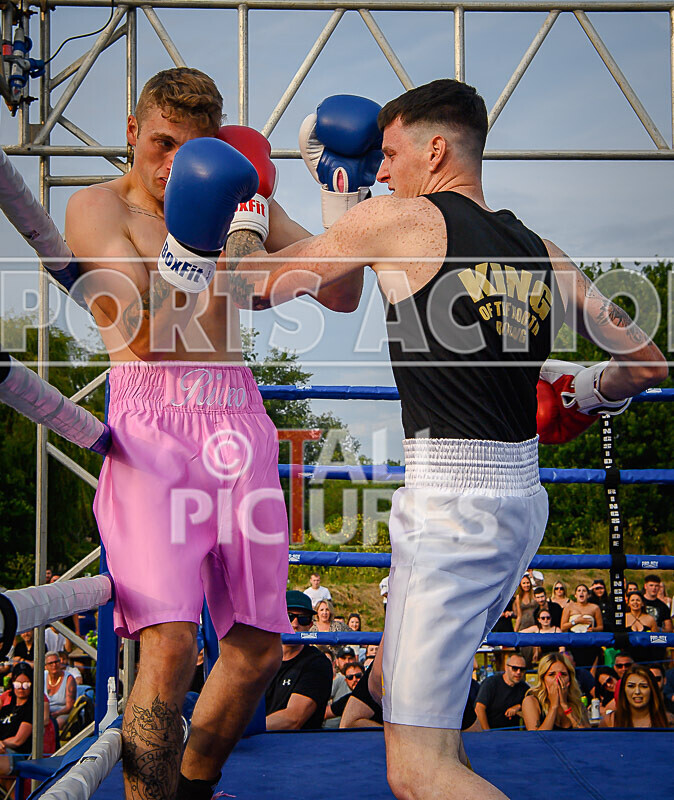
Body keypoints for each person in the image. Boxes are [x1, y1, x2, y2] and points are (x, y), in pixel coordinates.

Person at [228, 79, 666, 799]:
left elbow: (253, 285)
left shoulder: (402, 221)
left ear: (435, 148)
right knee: (407, 707)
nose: (385, 171)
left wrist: (246, 212)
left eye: (392, 153)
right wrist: (581, 391)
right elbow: (645, 362)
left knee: (416, 772)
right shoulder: (543, 251)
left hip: (451, 513)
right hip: (520, 504)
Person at [64, 67, 361, 800]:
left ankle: (194, 787)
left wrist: (342, 194)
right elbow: (138, 339)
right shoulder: (95, 209)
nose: (174, 166)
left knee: (258, 650)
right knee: (167, 647)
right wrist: (194, 246)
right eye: (161, 145)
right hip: (151, 422)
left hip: (236, 415)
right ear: (133, 133)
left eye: (192, 150)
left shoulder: (240, 191)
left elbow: (344, 291)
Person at [265, 591, 333, 730]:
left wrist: (241, 729)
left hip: (296, 746)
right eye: (288, 616)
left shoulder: (317, 663)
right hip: (255, 741)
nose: (295, 624)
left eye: (303, 619)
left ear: (310, 625)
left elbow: (293, 719)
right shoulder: (261, 659)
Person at [522, 653, 589, 730]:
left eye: (563, 674)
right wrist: (553, 707)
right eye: (551, 674)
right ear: (543, 679)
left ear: (570, 679)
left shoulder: (577, 703)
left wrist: (565, 706)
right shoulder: (531, 701)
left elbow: (587, 737)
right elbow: (537, 738)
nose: (557, 679)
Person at [603, 664, 673, 728]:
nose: (637, 692)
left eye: (644, 686)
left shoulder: (669, 720)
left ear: (652, 690)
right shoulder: (609, 720)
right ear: (623, 690)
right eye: (631, 686)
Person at [474, 653, 528, 730]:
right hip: (491, 732)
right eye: (515, 668)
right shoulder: (491, 683)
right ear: (506, 667)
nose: (518, 672)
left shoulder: (524, 688)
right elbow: (479, 708)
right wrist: (487, 732)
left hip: (513, 735)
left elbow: (534, 707)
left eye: (522, 669)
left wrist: (519, 707)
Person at [560, 584, 603, 669]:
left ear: (588, 595)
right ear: (575, 595)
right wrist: (576, 621)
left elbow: (601, 627)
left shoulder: (595, 608)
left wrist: (593, 629)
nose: (581, 593)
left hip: (589, 641)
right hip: (573, 641)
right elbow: (563, 627)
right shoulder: (569, 607)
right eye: (579, 591)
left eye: (584, 591)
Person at [45, 650, 76, 730]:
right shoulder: (42, 676)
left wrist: (55, 714)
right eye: (51, 663)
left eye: (56, 662)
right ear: (46, 666)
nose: (54, 665)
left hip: (63, 712)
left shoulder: (69, 678)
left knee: (55, 725)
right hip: (45, 711)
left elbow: (69, 707)